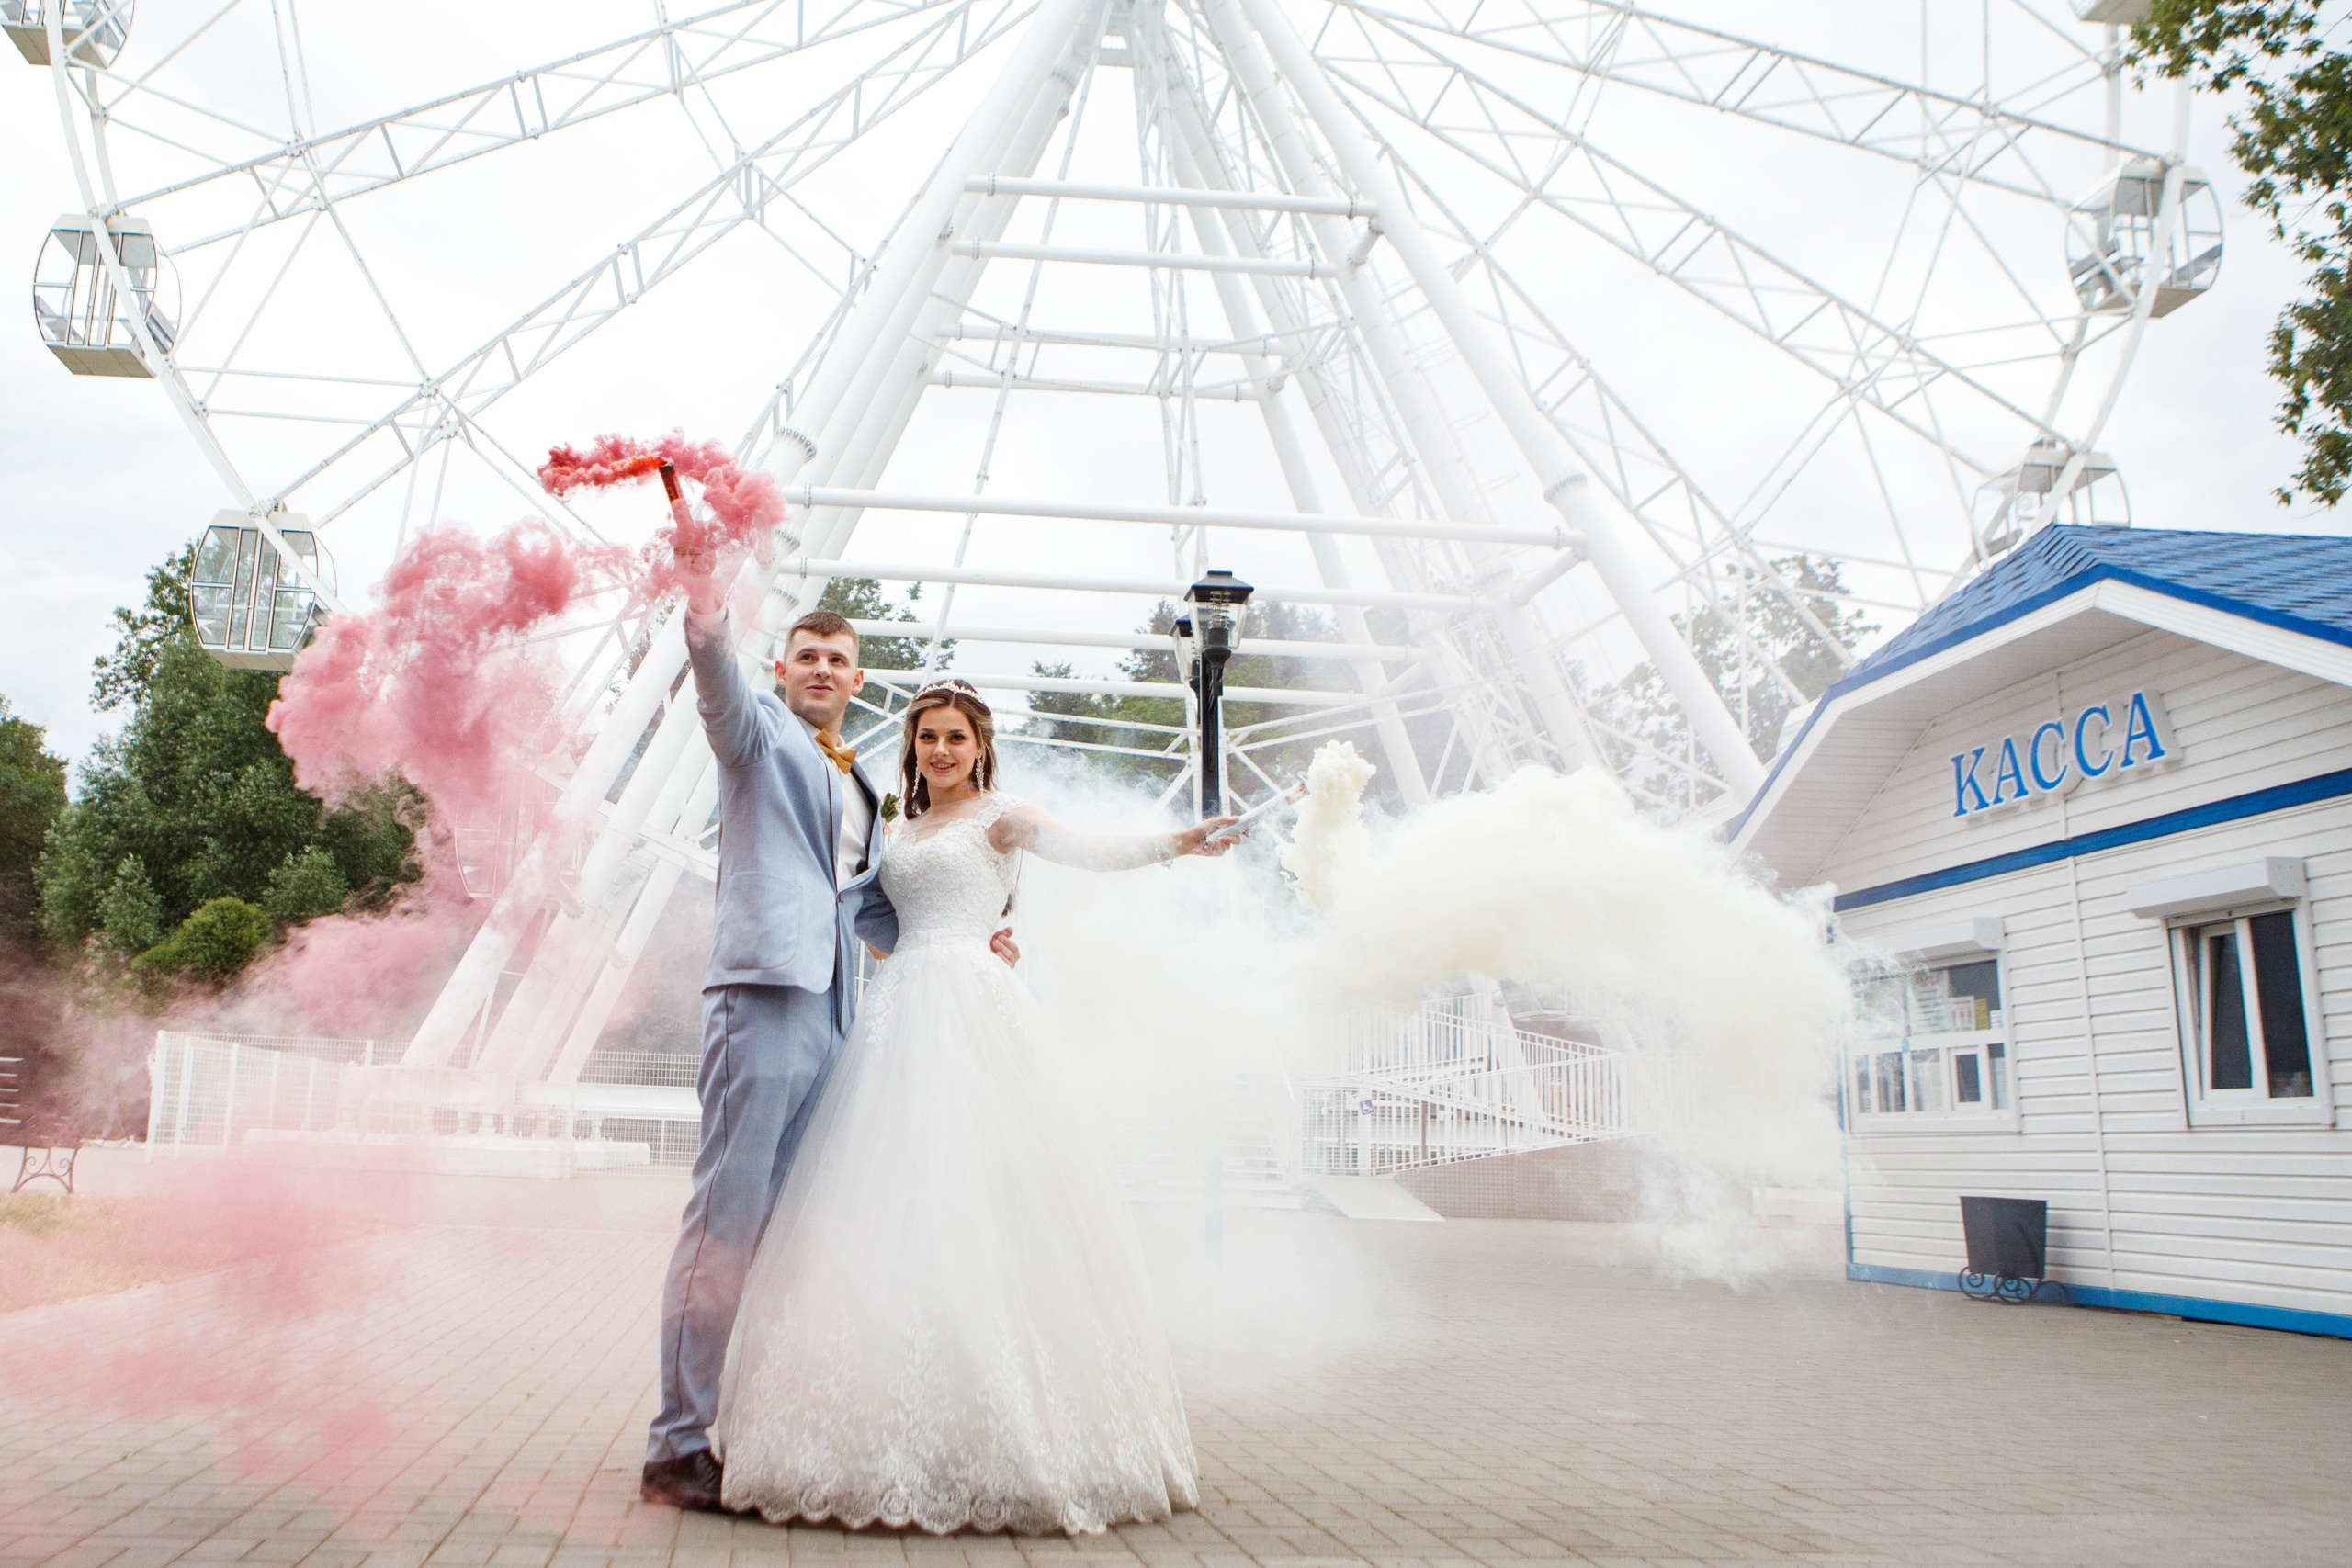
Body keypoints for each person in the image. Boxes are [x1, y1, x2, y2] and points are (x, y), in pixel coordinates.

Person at [709, 679, 1241, 1534]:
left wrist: (1178, 841)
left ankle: (1015, 1431)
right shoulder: (900, 826)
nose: (940, 751)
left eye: (955, 737)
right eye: (927, 738)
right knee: (884, 1208)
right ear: (913, 746)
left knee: (991, 1207)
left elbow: (1089, 852)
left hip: (976, 1013)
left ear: (980, 745)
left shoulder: (1005, 817)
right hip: (899, 1007)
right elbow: (871, 910)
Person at [641, 573, 1017, 1512]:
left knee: (791, 1231)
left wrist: (981, 937)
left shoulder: (859, 784)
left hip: (841, 1013)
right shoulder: (756, 735)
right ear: (783, 667)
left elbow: (880, 905)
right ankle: (676, 1444)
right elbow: (716, 677)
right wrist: (704, 613)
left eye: (837, 660)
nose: (820, 668)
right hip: (764, 998)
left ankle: (755, 1427)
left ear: (858, 681)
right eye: (805, 655)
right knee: (726, 1224)